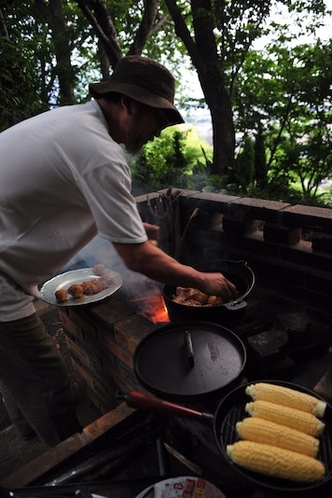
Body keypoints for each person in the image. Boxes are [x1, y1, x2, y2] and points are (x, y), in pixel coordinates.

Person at [0, 55, 238, 446]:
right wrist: (201, 279)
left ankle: (26, 435)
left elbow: (55, 198)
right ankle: (67, 469)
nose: (158, 132)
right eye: (158, 120)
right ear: (129, 104)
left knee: (16, 370)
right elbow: (138, 258)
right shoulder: (99, 150)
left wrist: (122, 228)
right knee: (48, 383)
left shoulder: (72, 123)